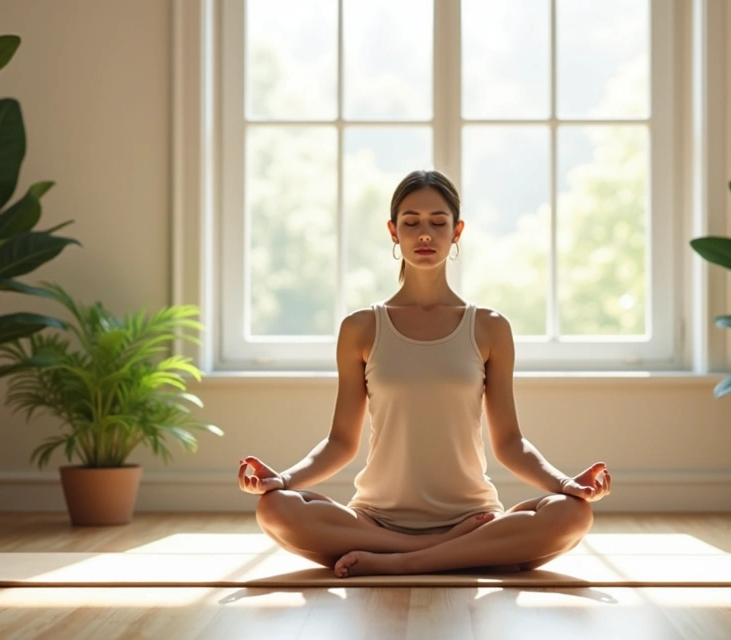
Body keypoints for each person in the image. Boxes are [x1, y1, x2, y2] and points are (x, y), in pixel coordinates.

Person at [237, 169, 612, 578]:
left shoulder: (489, 327)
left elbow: (510, 442)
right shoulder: (361, 327)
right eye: (411, 222)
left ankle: (405, 561)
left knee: (572, 516)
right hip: (377, 521)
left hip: (474, 518)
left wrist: (565, 485)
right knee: (274, 508)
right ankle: (442, 552)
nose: (425, 234)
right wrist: (283, 479)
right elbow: (341, 442)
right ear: (393, 231)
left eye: (438, 222)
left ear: (458, 231)